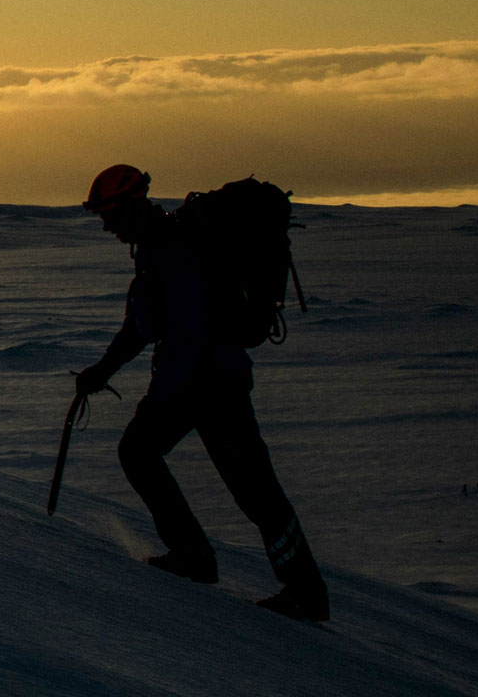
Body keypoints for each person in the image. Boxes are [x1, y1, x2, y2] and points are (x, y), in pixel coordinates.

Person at [76, 163, 330, 621]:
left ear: (130, 207)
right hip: (207, 380)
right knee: (230, 480)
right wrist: (102, 371)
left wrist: (161, 395)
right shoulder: (157, 248)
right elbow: (141, 327)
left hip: (209, 383)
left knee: (244, 485)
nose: (107, 226)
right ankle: (211, 560)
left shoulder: (170, 249)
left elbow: (188, 331)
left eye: (108, 215)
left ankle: (294, 589)